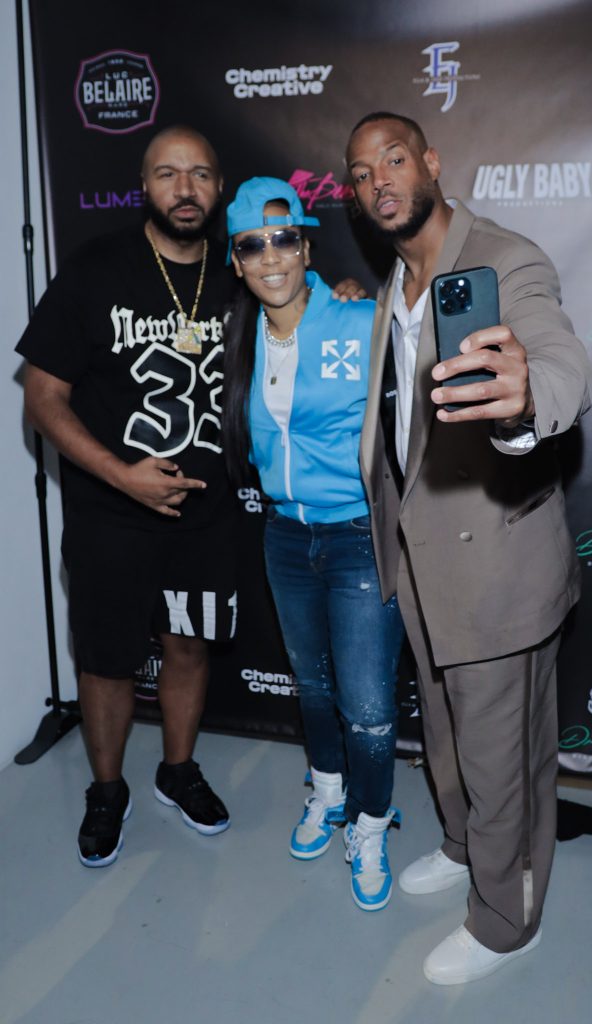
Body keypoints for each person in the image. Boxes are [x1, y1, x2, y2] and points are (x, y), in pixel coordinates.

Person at [345, 113, 592, 980]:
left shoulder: (505, 259)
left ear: (431, 162)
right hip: (418, 557)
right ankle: (460, 845)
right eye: (361, 172)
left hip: (495, 562)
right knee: (446, 734)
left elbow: (555, 357)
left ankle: (505, 921)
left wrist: (525, 402)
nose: (378, 180)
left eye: (394, 159)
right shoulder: (395, 279)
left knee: (501, 757)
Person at [16, 126, 239, 867]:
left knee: (188, 643)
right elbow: (41, 399)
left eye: (199, 174)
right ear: (144, 185)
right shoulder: (95, 267)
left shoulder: (242, 270)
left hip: (206, 511)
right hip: (110, 511)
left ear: (218, 188)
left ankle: (178, 771)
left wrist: (341, 293)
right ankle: (107, 790)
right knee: (107, 659)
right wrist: (122, 475)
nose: (185, 188)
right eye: (168, 174)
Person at [222, 177, 404, 911]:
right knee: (313, 685)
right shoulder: (240, 336)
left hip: (358, 534)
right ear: (236, 261)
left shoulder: (360, 319)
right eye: (251, 245)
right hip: (285, 536)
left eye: (283, 239)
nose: (269, 257)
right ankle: (327, 789)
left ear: (305, 247)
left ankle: (370, 823)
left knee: (368, 705)